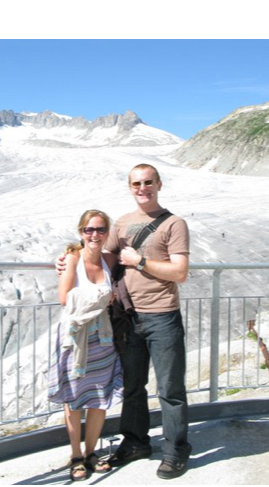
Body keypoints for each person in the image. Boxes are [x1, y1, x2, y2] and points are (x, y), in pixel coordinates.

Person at [57, 164, 190, 479]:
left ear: (159, 184)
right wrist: (67, 257)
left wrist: (140, 261)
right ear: (130, 187)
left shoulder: (174, 224)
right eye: (136, 183)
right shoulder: (122, 224)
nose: (142, 188)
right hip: (128, 319)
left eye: (148, 182)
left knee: (170, 388)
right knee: (133, 387)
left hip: (162, 315)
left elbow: (180, 272)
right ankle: (135, 442)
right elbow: (98, 255)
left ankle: (176, 450)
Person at [47, 210, 123, 481]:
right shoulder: (72, 259)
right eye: (89, 230)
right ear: (81, 232)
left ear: (107, 233)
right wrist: (103, 296)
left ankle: (92, 451)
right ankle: (76, 454)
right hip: (75, 336)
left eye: (101, 230)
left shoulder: (110, 260)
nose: (95, 235)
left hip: (102, 338)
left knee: (99, 396)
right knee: (74, 397)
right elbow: (64, 297)